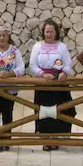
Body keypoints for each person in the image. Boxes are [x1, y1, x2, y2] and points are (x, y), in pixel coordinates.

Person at [29, 18, 73, 149]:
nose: (49, 34)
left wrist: (64, 72)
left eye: (51, 32)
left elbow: (68, 63)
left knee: (59, 109)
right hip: (43, 83)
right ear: (43, 32)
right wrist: (42, 74)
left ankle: (56, 138)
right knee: (43, 110)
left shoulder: (62, 46)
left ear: (56, 33)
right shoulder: (37, 46)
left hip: (58, 84)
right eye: (47, 31)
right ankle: (45, 139)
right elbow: (32, 65)